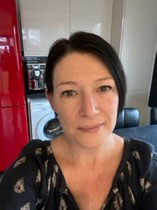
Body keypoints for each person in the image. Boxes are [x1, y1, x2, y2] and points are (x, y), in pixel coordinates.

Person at [0, 31, 157, 210]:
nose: (89, 110)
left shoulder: (146, 167)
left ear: (120, 92)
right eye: (69, 92)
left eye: (103, 88)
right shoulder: (31, 171)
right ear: (52, 100)